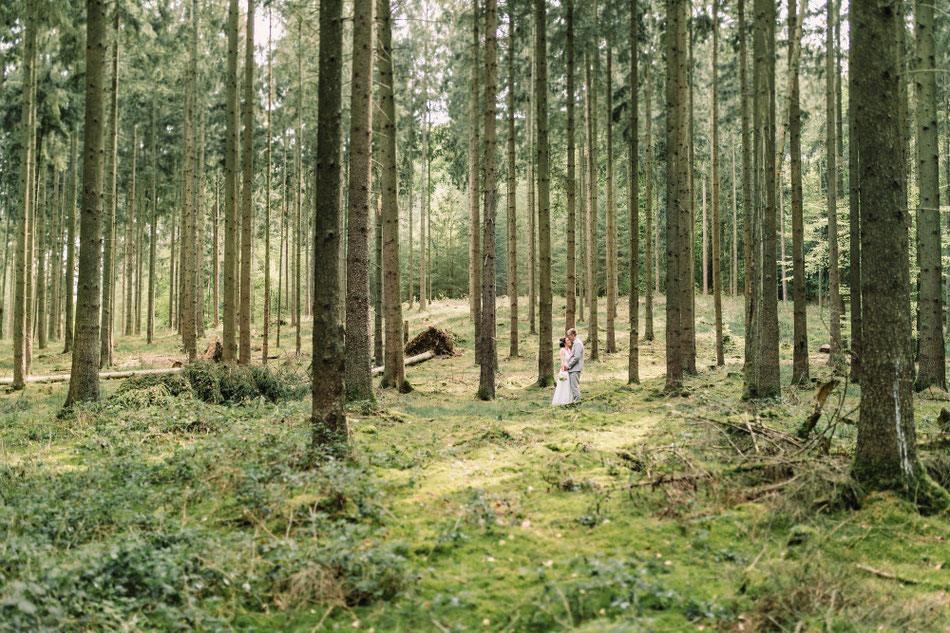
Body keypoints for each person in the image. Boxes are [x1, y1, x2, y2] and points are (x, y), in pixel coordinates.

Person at [564, 328, 584, 403]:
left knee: (574, 387)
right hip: (573, 369)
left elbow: (576, 357)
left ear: (572, 335)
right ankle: (575, 400)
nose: (568, 337)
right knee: (573, 386)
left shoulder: (578, 343)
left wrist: (568, 366)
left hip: (575, 368)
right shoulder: (575, 343)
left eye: (568, 335)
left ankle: (577, 402)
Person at [552, 337, 573, 405]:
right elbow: (562, 361)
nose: (569, 341)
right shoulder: (562, 350)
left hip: (569, 369)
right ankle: (560, 401)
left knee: (568, 386)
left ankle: (568, 400)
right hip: (564, 370)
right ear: (564, 343)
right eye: (567, 340)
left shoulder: (569, 350)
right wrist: (563, 370)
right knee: (563, 385)